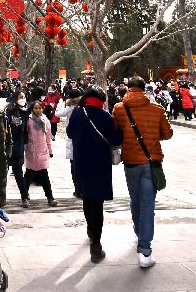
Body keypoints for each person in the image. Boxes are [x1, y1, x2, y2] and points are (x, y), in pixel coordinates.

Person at [112, 76, 173, 268]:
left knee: (135, 199)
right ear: (144, 88)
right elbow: (168, 133)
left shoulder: (119, 109)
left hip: (130, 162)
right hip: (151, 162)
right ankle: (145, 251)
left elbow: (115, 134)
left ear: (128, 88)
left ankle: (139, 231)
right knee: (148, 204)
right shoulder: (157, 109)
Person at [67, 87, 122, 263]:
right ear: (101, 100)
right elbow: (115, 140)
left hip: (81, 162)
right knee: (97, 202)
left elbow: (69, 133)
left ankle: (91, 230)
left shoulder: (78, 112)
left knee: (87, 198)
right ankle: (96, 246)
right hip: (99, 164)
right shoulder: (105, 115)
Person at [22, 101, 56, 207]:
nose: (38, 110)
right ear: (32, 109)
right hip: (31, 152)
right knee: (28, 175)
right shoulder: (28, 121)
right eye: (35, 108)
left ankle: (50, 197)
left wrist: (50, 151)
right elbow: (24, 136)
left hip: (42, 151)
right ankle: (24, 197)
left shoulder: (45, 121)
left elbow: (48, 137)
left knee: (44, 176)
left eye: (40, 108)